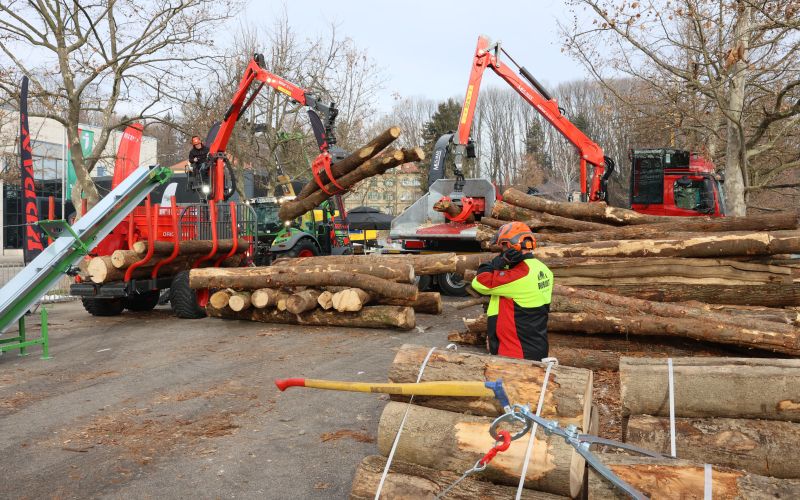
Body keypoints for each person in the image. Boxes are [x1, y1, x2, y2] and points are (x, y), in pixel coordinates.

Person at [471, 221, 554, 360]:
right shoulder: (543, 269)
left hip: (516, 353)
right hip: (534, 346)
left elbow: (479, 282)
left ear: (511, 246)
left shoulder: (520, 274)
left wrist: (497, 262)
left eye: (502, 245)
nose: (501, 250)